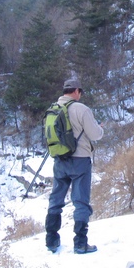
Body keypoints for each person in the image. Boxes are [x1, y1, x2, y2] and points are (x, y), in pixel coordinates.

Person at [44, 78, 104, 254]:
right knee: (81, 201)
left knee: (56, 199)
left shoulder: (52, 109)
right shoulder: (82, 109)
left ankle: (51, 240)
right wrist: (100, 128)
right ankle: (80, 243)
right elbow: (95, 135)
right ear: (77, 91)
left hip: (60, 159)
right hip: (80, 160)